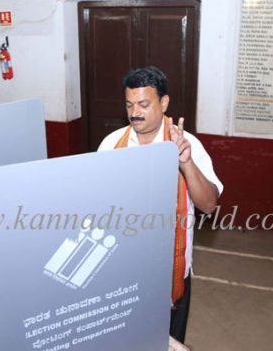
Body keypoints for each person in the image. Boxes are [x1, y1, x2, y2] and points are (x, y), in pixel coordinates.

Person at [98, 66, 223, 343]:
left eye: (144, 104)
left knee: (168, 341)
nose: (134, 112)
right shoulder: (111, 144)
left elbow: (209, 205)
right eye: (129, 105)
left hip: (170, 273)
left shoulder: (187, 144)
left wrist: (186, 164)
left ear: (164, 103)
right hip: (122, 270)